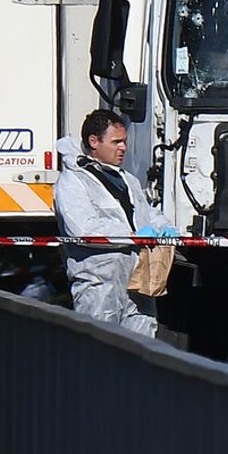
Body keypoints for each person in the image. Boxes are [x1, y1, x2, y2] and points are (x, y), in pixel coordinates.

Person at [54, 109, 174, 336]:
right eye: (116, 142)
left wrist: (164, 227)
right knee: (98, 346)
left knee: (143, 347)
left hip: (138, 280)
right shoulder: (72, 182)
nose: (123, 148)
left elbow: (145, 213)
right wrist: (132, 233)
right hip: (100, 284)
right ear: (93, 141)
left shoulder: (127, 179)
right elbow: (82, 228)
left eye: (125, 141)